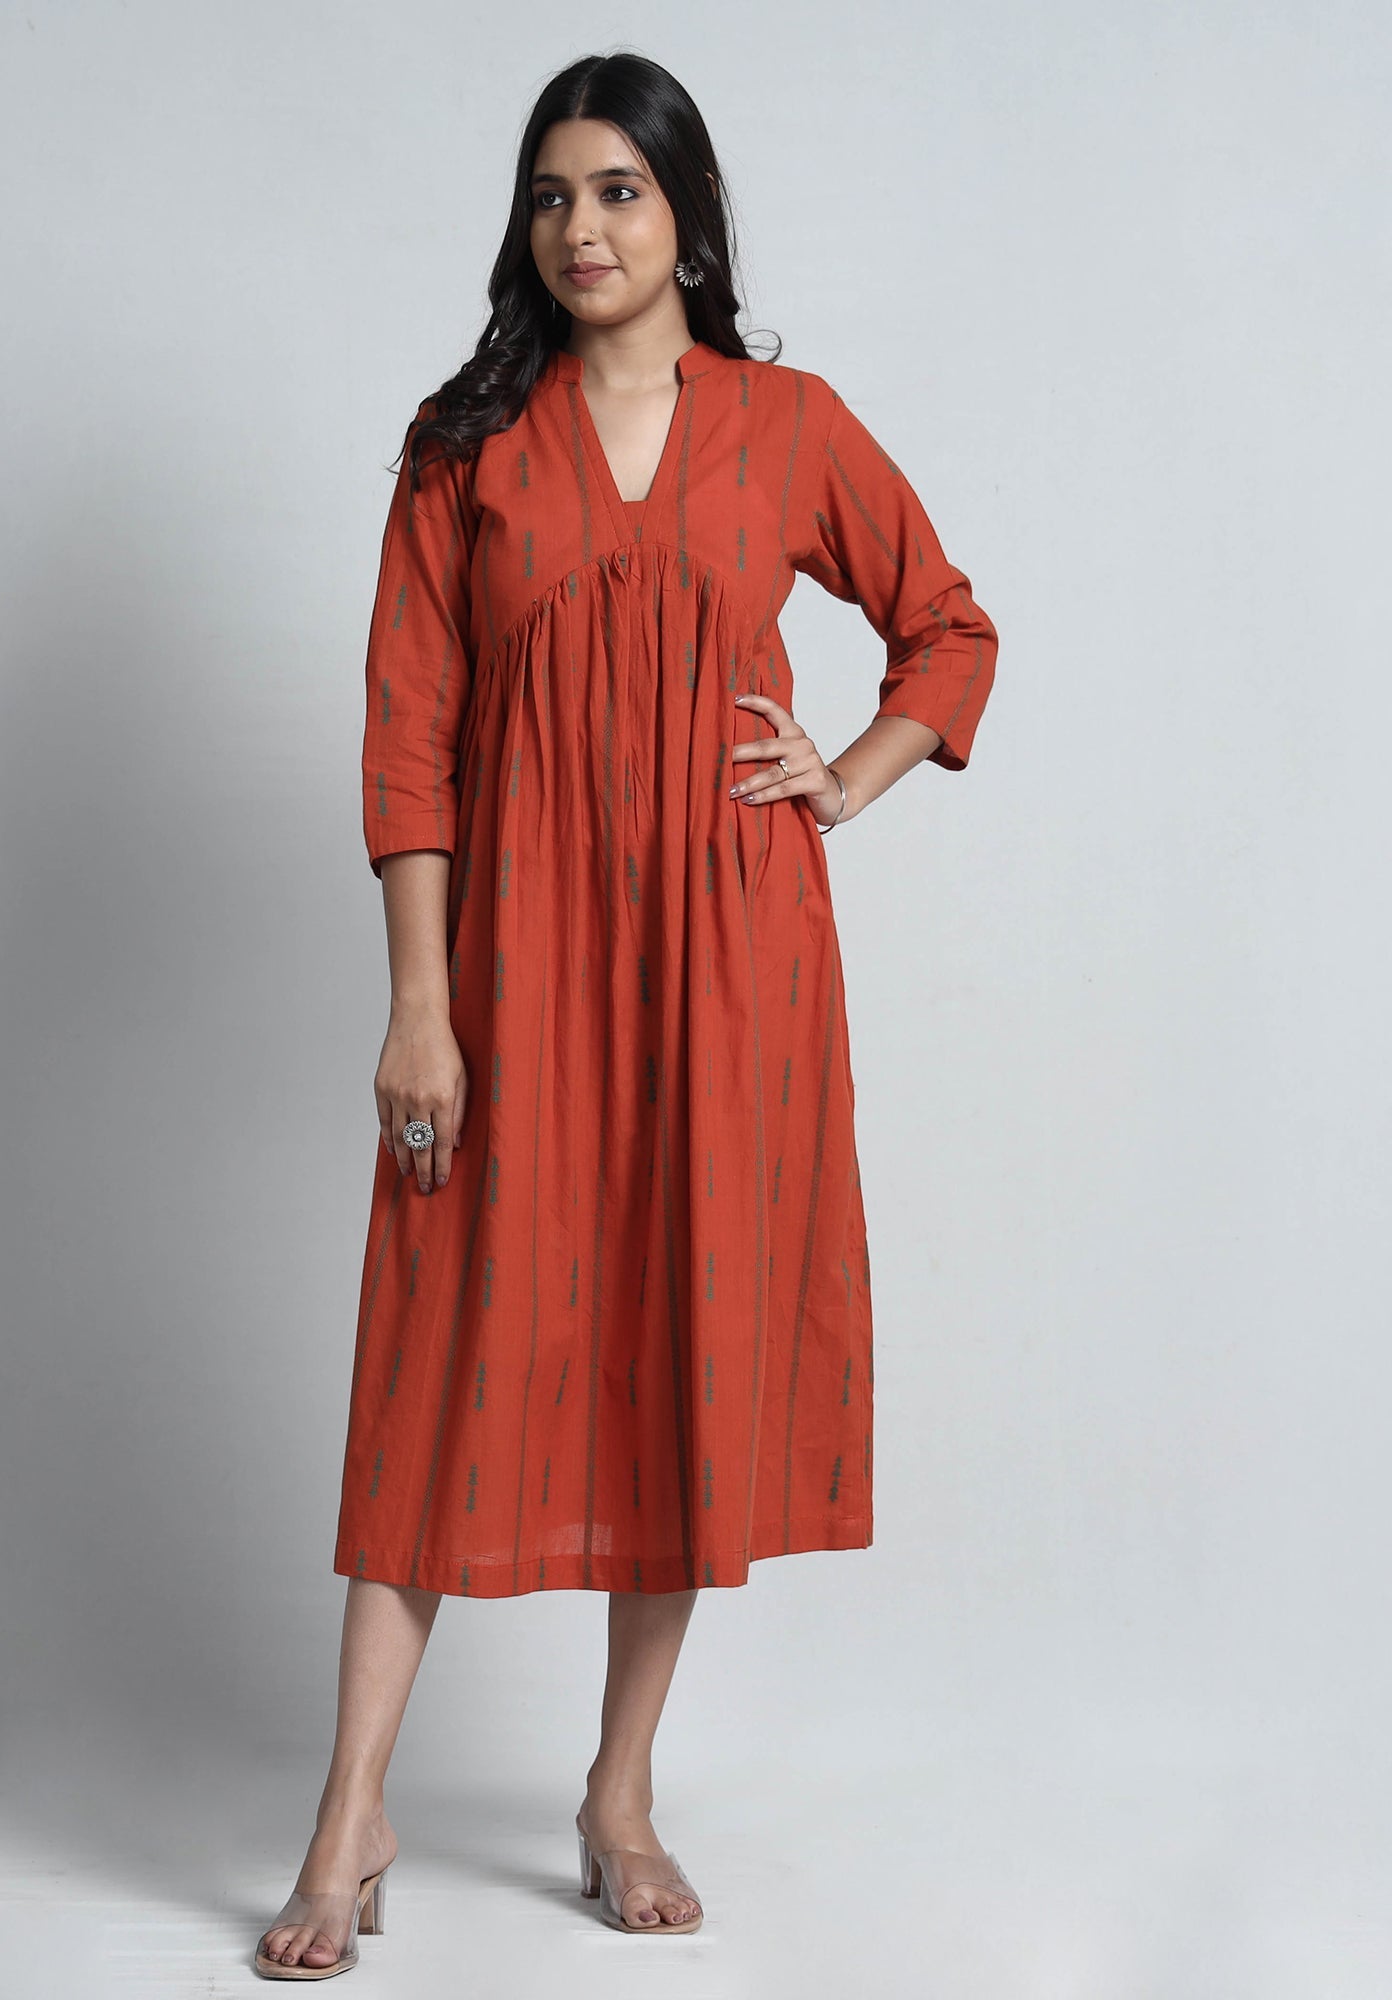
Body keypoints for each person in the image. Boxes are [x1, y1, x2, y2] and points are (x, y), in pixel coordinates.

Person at [255, 48, 998, 1979]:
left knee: (686, 1337)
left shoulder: (786, 424)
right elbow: (408, 736)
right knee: (436, 1360)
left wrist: (846, 775)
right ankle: (350, 1814)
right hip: (512, 975)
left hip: (731, 968)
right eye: (551, 194)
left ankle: (618, 1790)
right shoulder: (464, 443)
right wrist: (421, 1003)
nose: (581, 229)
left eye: (619, 191)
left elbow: (947, 626)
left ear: (688, 215)